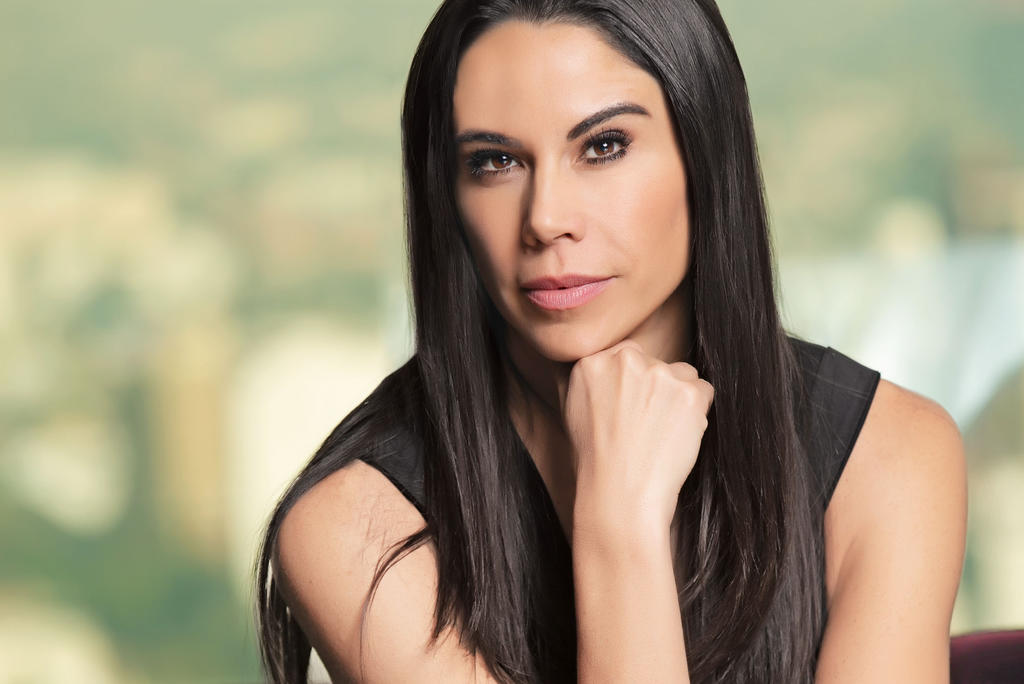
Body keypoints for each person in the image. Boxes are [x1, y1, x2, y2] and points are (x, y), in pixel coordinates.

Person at [253, 1, 967, 682]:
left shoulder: (889, 456)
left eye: (603, 146)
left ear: (704, 152)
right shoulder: (353, 527)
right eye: (495, 162)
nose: (546, 219)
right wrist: (620, 524)